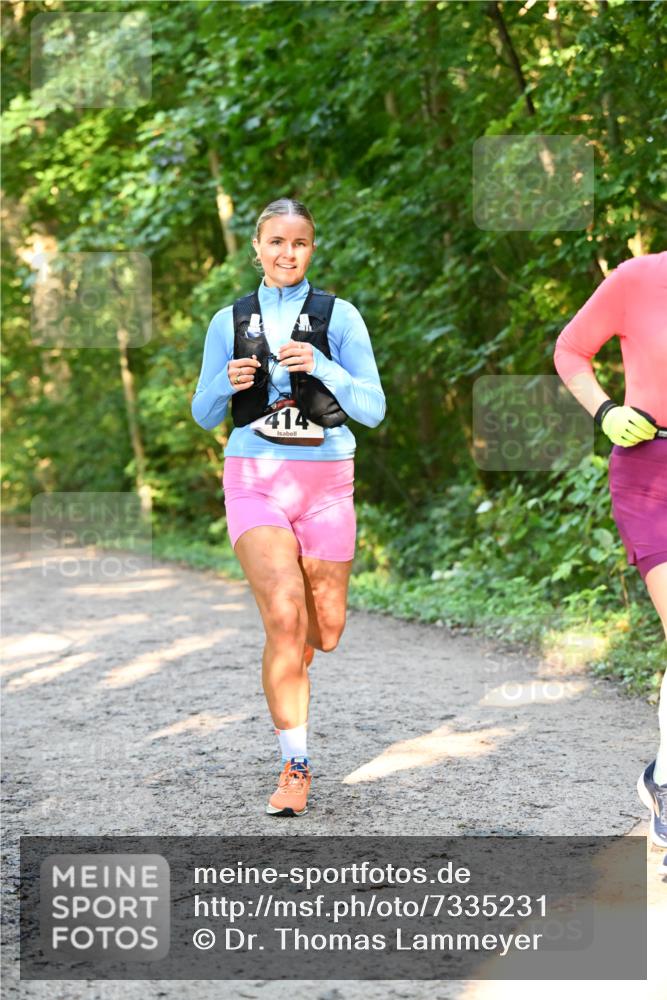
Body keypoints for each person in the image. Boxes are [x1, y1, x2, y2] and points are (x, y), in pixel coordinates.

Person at [191, 198, 385, 816]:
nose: (286, 252)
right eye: (275, 241)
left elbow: (373, 408)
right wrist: (225, 383)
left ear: (312, 249)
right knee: (283, 614)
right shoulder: (229, 320)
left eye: (298, 242)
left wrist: (323, 366)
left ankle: (296, 650)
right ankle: (295, 765)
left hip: (327, 484)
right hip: (254, 478)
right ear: (257, 248)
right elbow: (202, 411)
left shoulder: (340, 316)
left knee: (324, 631)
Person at [554, 250, 667, 855]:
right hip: (650, 473)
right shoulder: (637, 278)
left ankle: (660, 775)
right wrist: (605, 410)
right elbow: (570, 350)